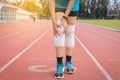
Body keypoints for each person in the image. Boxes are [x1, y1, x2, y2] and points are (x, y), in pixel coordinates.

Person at [49, 0, 79, 79]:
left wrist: (65, 17)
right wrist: (53, 21)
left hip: (72, 5)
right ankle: (59, 64)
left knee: (70, 32)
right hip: (58, 5)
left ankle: (68, 62)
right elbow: (51, 1)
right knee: (59, 31)